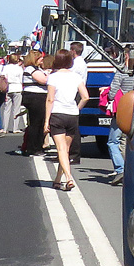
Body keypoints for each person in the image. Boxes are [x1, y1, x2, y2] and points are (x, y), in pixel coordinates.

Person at [44, 49, 88, 192]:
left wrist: (46, 121)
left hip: (57, 114)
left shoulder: (53, 77)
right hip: (72, 115)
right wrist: (77, 108)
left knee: (61, 149)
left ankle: (69, 178)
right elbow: (85, 97)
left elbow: (50, 99)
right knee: (65, 151)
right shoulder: (76, 77)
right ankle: (57, 179)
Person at [104, 46, 134, 185]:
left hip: (123, 111)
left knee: (112, 141)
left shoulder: (122, 72)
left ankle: (120, 169)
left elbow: (113, 92)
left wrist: (107, 93)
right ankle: (130, 170)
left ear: (126, 56)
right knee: (128, 142)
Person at [18, 50, 49, 156]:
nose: (42, 60)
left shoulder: (37, 69)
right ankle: (33, 148)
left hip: (37, 97)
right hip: (35, 97)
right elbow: (44, 80)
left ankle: (37, 146)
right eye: (40, 58)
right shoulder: (31, 69)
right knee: (36, 123)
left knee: (39, 123)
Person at [68, 41, 88, 165]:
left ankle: (74, 155)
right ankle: (69, 153)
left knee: (73, 126)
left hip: (75, 93)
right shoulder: (80, 62)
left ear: (73, 51)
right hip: (75, 92)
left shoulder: (77, 64)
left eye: (70, 50)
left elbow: (70, 77)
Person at [0, 54, 23, 134]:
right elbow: (21, 79)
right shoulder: (19, 68)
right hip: (17, 88)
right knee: (16, 109)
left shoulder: (5, 67)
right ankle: (15, 128)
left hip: (8, 88)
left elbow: (3, 77)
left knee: (6, 109)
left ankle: (5, 128)